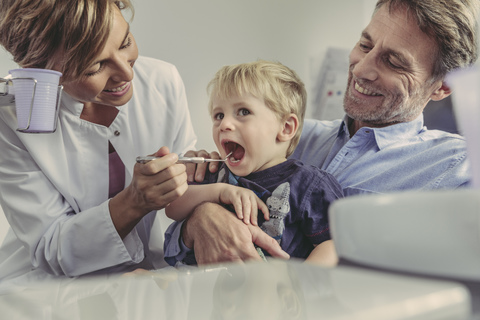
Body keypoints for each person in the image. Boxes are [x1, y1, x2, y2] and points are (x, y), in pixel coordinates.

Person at [164, 0, 479, 266]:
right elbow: (182, 225)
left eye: (394, 62)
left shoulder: (460, 167)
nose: (360, 69)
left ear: (443, 86)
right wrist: (204, 214)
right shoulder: (284, 139)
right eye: (365, 45)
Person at [0, 0, 196, 281]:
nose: (127, 74)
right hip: (48, 290)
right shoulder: (13, 116)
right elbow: (51, 248)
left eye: (125, 42)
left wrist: (204, 213)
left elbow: (191, 187)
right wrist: (133, 202)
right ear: (40, 70)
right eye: (94, 67)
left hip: (154, 278)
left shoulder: (162, 82)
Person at [165, 61, 343, 265]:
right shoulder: (214, 173)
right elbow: (172, 207)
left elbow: (333, 243)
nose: (224, 124)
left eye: (243, 112)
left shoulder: (309, 184)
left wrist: (301, 289)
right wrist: (219, 192)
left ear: (285, 127)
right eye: (219, 115)